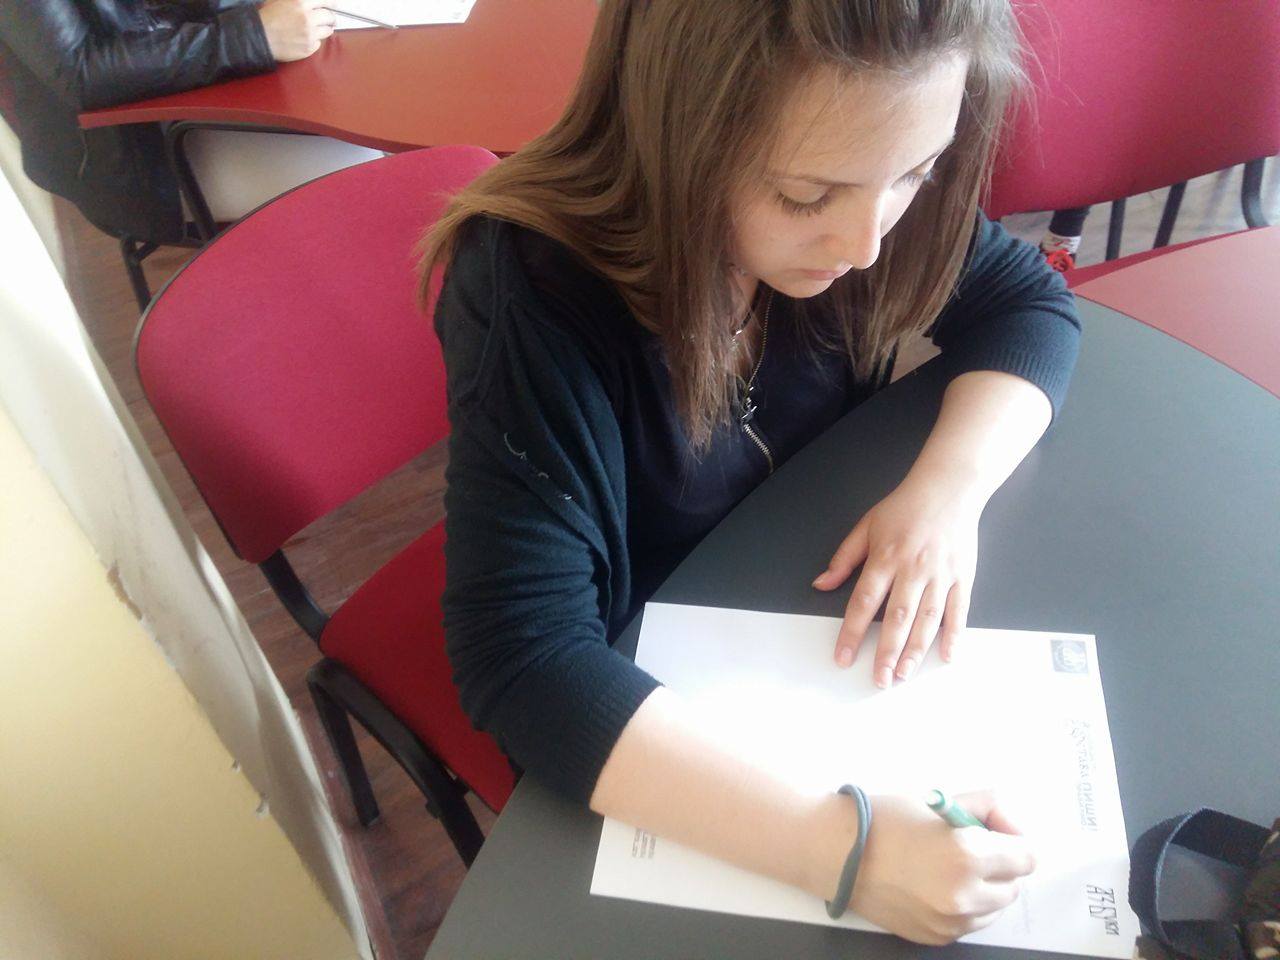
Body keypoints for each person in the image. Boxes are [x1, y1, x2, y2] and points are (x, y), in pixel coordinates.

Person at [423, 0, 1080, 945]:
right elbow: (523, 658)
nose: (867, 245)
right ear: (676, 139)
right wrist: (845, 853)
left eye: (917, 173)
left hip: (796, 594)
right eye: (807, 197)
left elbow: (1028, 306)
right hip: (647, 678)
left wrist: (945, 494)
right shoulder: (530, 288)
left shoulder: (866, 160)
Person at [0, 0, 353, 245]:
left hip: (224, 84)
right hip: (143, 152)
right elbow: (81, 74)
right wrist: (256, 35)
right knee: (359, 165)